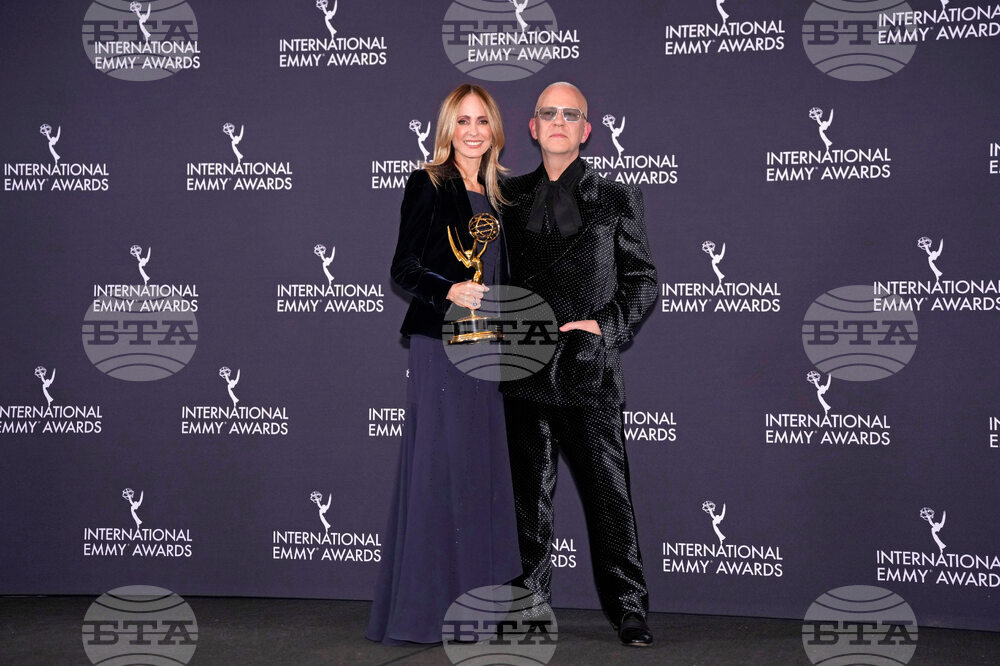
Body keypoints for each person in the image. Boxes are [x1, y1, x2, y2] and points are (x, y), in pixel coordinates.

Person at [501, 82, 657, 647]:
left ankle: (629, 608)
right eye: (549, 113)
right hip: (522, 370)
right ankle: (528, 607)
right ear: (533, 127)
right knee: (526, 504)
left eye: (571, 114)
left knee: (609, 500)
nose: (559, 121)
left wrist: (605, 327)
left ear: (586, 130)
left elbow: (642, 280)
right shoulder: (506, 197)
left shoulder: (616, 198)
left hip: (588, 372)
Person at [366, 84, 521, 645]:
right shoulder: (429, 182)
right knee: (439, 468)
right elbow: (403, 267)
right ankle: (425, 610)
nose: (473, 131)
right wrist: (449, 289)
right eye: (463, 121)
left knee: (480, 473)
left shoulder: (502, 196)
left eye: (482, 121)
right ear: (447, 129)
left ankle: (477, 609)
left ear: (495, 129)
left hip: (491, 351)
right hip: (443, 345)